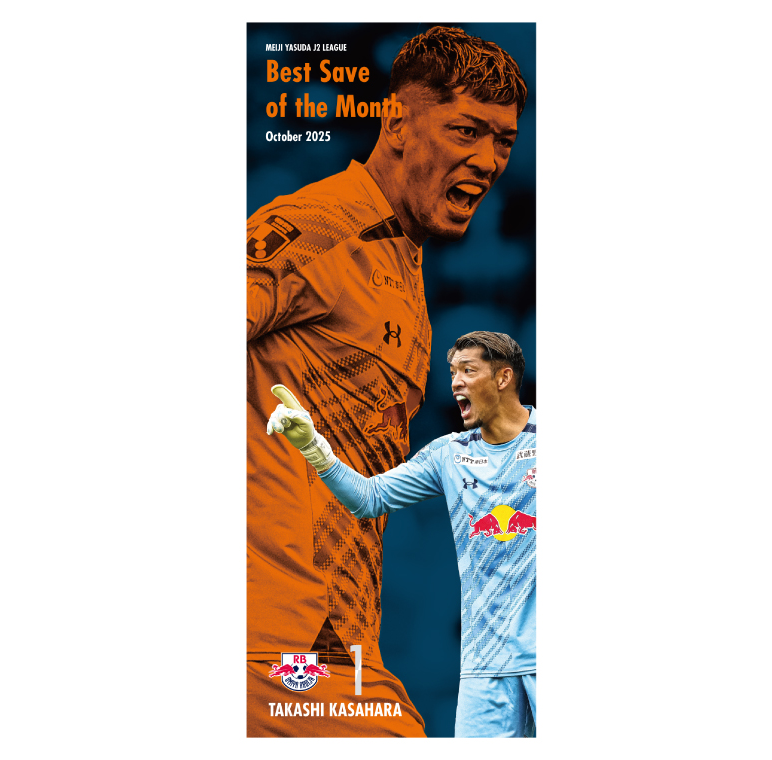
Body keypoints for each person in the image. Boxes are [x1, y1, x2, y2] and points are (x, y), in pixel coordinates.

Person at [246, 27, 528, 737]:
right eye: (467, 130)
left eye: (504, 140)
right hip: (276, 643)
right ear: (397, 122)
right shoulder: (316, 229)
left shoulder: (399, 258)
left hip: (333, 648)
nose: (489, 159)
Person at [266, 331, 537, 738]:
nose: (455, 383)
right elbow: (369, 497)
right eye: (452, 373)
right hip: (485, 664)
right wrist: (314, 449)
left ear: (503, 378)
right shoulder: (449, 453)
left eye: (468, 371)